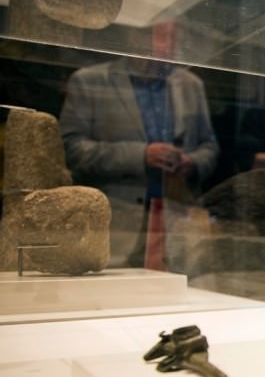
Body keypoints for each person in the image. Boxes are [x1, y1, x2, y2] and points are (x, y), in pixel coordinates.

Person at [60, 20, 219, 268]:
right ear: (136, 37)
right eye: (164, 38)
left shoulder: (191, 85)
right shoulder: (90, 81)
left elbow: (209, 147)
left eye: (176, 39)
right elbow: (70, 149)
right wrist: (141, 155)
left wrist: (191, 162)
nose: (172, 47)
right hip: (115, 224)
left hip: (176, 221)